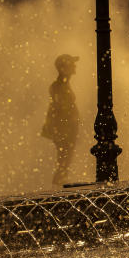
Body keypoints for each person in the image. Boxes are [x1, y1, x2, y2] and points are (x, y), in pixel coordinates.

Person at [41, 54, 81, 188]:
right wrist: (67, 124)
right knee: (64, 156)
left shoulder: (63, 84)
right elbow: (61, 107)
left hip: (66, 127)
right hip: (64, 128)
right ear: (63, 68)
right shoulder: (58, 86)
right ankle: (58, 186)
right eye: (71, 64)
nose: (74, 66)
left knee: (65, 157)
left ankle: (60, 183)